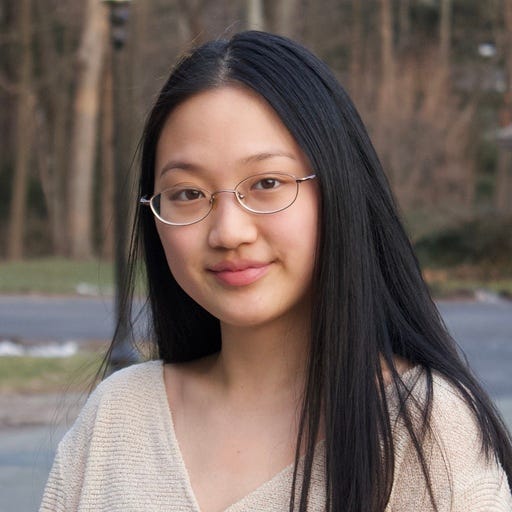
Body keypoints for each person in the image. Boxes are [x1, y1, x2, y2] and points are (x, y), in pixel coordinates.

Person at [40, 31, 512, 512]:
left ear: (339, 190)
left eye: (267, 183)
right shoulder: (118, 417)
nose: (228, 231)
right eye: (186, 193)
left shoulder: (425, 432)